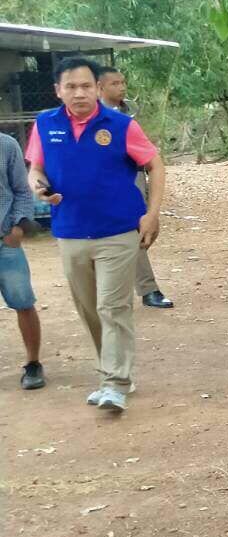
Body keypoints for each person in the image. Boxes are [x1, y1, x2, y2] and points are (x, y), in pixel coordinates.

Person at [26, 56, 165, 413]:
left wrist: (152, 214)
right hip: (70, 232)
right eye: (71, 86)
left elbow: (154, 162)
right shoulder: (45, 125)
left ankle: (114, 383)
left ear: (97, 89)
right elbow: (36, 168)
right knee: (88, 309)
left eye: (86, 86)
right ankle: (114, 373)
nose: (79, 93)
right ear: (58, 90)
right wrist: (38, 186)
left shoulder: (119, 125)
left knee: (112, 306)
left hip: (118, 232)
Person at [97, 67, 173, 310]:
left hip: (133, 176)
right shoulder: (91, 117)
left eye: (123, 82)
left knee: (139, 230)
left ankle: (143, 288)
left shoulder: (127, 114)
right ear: (100, 87)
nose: (121, 87)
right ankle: (146, 288)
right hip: (101, 183)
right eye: (115, 84)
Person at [2, 130, 44, 389]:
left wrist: (18, 227)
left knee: (23, 302)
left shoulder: (6, 146)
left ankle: (33, 364)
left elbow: (21, 189)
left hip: (5, 240)